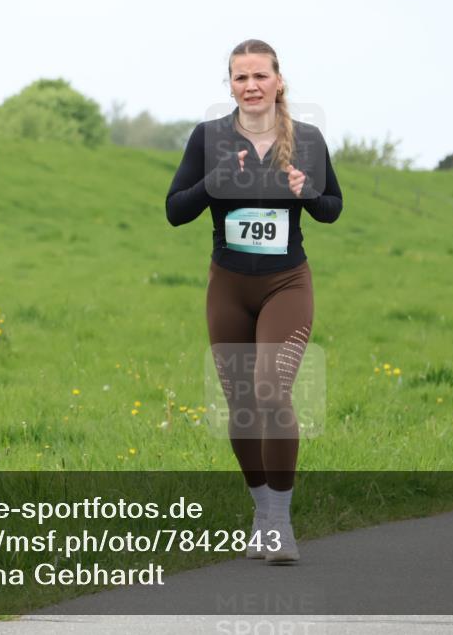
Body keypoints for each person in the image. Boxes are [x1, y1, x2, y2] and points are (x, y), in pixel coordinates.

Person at [166, 39, 343, 563]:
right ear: (230, 85)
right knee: (242, 408)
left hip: (286, 283)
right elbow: (175, 210)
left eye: (260, 76)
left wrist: (306, 190)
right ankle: (262, 513)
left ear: (278, 81)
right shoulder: (209, 138)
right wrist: (214, 182)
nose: (251, 86)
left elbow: (332, 208)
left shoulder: (307, 139)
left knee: (271, 391)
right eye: (240, 78)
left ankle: (282, 526)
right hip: (229, 285)